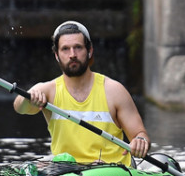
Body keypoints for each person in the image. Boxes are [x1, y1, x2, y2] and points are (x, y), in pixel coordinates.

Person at [13, 20, 150, 165]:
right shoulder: (47, 90)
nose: (72, 54)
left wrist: (140, 141)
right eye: (65, 49)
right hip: (67, 173)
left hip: (111, 172)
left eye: (78, 47)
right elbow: (19, 107)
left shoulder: (114, 90)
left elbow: (140, 134)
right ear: (57, 55)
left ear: (89, 51)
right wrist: (28, 99)